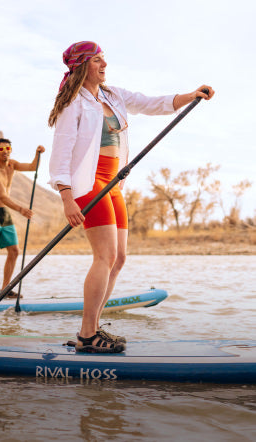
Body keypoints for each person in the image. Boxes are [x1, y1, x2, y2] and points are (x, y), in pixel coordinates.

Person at [48, 41, 214, 353]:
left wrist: (191, 95)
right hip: (88, 184)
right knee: (104, 257)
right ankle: (87, 334)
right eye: (97, 60)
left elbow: (152, 103)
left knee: (119, 258)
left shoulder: (114, 95)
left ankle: (93, 328)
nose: (104, 65)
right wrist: (66, 197)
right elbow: (60, 154)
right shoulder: (73, 104)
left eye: (103, 59)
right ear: (82, 66)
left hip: (113, 183)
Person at [0, 138, 45, 300]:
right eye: (0, 149)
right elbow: (2, 196)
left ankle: (5, 289)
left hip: (4, 213)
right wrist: (21, 210)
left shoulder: (12, 164)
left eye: (7, 148)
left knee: (14, 251)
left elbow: (33, 167)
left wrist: (37, 154)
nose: (5, 151)